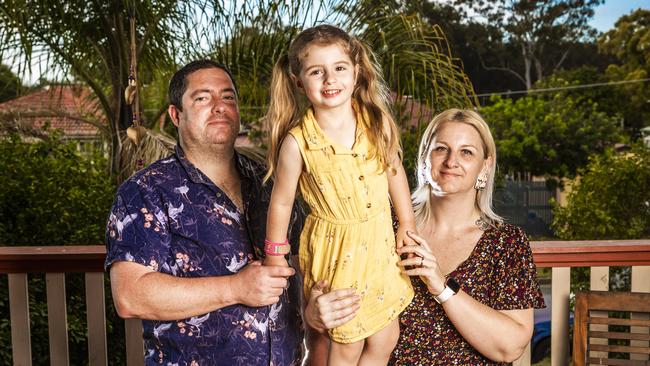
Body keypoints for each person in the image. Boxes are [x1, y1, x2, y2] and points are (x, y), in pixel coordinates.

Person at [306, 108, 545, 365]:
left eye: (467, 152)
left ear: (484, 166)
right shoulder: (383, 225)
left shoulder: (506, 243)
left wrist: (440, 285)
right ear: (424, 158)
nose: (451, 161)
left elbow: (510, 347)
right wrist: (315, 316)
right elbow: (338, 318)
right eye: (441, 148)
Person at [105, 60, 305, 366]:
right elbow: (130, 295)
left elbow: (309, 256)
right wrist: (236, 288)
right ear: (176, 115)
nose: (219, 106)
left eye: (228, 97)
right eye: (202, 98)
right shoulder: (145, 191)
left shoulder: (271, 182)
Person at [262, 24, 415, 365]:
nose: (330, 80)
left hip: (379, 244)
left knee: (387, 336)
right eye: (317, 71)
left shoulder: (377, 121)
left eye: (339, 68)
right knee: (346, 343)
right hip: (337, 249)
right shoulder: (297, 143)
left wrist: (406, 222)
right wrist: (275, 255)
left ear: (356, 71)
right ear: (299, 80)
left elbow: (394, 171)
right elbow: (282, 202)